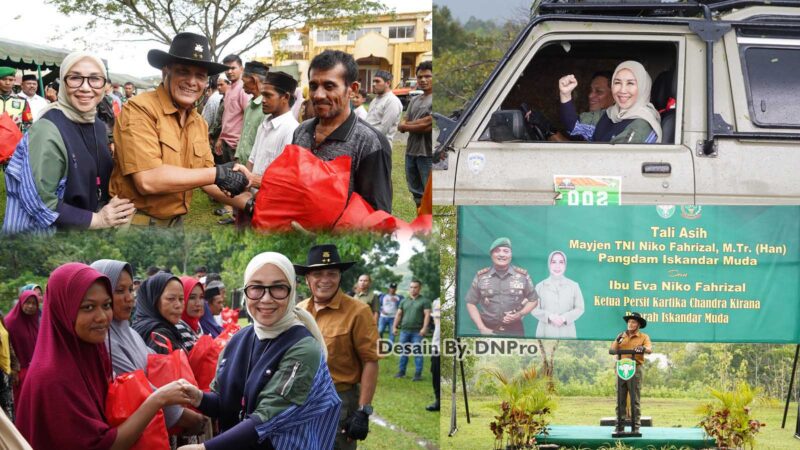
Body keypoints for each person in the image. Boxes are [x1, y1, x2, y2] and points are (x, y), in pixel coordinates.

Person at [15, 262, 195, 450]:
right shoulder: (53, 377)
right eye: (88, 307)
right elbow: (103, 446)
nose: (102, 316)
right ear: (63, 310)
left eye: (106, 305)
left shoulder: (94, 353)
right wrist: (158, 400)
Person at [177, 252, 341, 450]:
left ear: (292, 291)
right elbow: (225, 403)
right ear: (246, 291)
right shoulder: (239, 339)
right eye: (256, 288)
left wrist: (206, 448)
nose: (266, 298)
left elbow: (267, 419)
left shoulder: (304, 349)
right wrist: (198, 397)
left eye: (278, 288)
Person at [109, 32, 249, 227]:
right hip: (137, 225)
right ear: (166, 72)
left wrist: (251, 204)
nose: (192, 82)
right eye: (183, 71)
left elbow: (207, 178)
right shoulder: (139, 109)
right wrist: (219, 173)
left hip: (176, 225)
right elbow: (148, 179)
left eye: (200, 75)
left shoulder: (198, 122)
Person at [3, 52, 136, 234]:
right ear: (62, 83)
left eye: (95, 79)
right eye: (75, 78)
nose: (85, 87)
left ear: (104, 85)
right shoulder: (47, 129)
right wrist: (97, 219)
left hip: (84, 237)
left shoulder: (96, 125)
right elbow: (38, 200)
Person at [90, 259, 206, 434]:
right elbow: (139, 391)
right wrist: (186, 416)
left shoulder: (131, 333)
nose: (129, 298)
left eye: (130, 289)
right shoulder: (105, 341)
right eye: (119, 290)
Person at [295, 244, 379, 450]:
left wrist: (363, 411)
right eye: (318, 274)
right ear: (307, 279)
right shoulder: (298, 311)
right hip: (299, 401)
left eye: (332, 273)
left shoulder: (359, 311)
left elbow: (370, 361)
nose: (325, 280)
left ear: (340, 276)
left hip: (338, 402)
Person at [292, 50, 392, 213]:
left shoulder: (370, 142)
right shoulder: (301, 131)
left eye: (329, 86)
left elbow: (377, 216)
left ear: (352, 89)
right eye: (313, 86)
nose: (318, 95)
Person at [558, 60, 662, 144]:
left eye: (630, 83)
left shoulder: (642, 124)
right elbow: (574, 126)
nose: (622, 90)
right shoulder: (611, 114)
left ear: (643, 88)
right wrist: (565, 94)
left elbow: (615, 161)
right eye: (617, 82)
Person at [239, 71, 300, 193]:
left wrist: (251, 179)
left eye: (268, 95)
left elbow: (284, 180)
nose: (263, 100)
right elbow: (252, 159)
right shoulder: (264, 125)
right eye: (263, 95)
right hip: (252, 199)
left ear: (285, 97)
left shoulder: (292, 130)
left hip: (271, 201)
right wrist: (245, 192)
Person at [465, 237, 538, 336]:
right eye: (497, 251)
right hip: (488, 329)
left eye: (506, 251)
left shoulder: (522, 276)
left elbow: (533, 300)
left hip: (515, 330)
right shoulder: (481, 276)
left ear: (511, 255)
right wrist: (482, 328)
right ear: (491, 255)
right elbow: (470, 303)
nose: (502, 254)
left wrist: (520, 314)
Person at [610, 311, 652, 434]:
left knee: (635, 398)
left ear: (638, 325)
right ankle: (619, 426)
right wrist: (618, 340)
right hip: (621, 368)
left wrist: (643, 349)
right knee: (620, 398)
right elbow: (612, 350)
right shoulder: (621, 335)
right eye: (629, 321)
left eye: (633, 322)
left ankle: (636, 427)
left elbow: (649, 349)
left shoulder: (644, 337)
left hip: (635, 368)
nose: (630, 324)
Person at [398, 61, 433, 207]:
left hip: (428, 154)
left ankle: (431, 225)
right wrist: (414, 124)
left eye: (427, 76)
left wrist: (407, 125)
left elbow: (427, 126)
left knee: (429, 194)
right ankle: (421, 224)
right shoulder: (414, 100)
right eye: (420, 77)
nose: (423, 80)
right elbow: (402, 123)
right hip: (411, 152)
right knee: (416, 193)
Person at [132, 271, 191, 353]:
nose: (178, 305)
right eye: (171, 299)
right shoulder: (157, 337)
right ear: (154, 300)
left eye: (181, 299)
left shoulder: (169, 329)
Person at [531, 250, 585, 338]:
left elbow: (580, 308)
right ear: (549, 264)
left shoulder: (574, 286)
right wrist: (550, 317)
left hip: (567, 331)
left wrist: (564, 318)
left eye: (561, 262)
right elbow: (533, 309)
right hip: (545, 331)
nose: (557, 266)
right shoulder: (540, 286)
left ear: (565, 265)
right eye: (553, 262)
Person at [392, 280, 431, 381]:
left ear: (419, 288)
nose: (413, 289)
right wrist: (394, 327)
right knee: (403, 352)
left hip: (417, 332)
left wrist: (424, 328)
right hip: (404, 331)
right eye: (411, 287)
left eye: (415, 287)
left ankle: (418, 374)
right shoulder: (404, 301)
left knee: (417, 353)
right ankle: (401, 372)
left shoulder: (424, 301)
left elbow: (427, 315)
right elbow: (399, 314)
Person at [5, 290, 39, 404]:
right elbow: (6, 348)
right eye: (27, 302)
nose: (30, 306)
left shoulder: (36, 321)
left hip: (36, 370)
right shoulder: (10, 322)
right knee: (22, 404)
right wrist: (13, 371)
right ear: (21, 303)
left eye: (34, 303)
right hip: (19, 374)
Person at [233, 61, 269, 168]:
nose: (242, 86)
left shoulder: (266, 108)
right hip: (242, 165)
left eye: (244, 82)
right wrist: (237, 157)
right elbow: (243, 134)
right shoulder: (249, 106)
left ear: (254, 80)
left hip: (254, 167)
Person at [365, 70, 402, 142]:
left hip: (381, 145)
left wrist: (364, 135)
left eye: (377, 81)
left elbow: (384, 129)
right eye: (373, 81)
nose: (374, 84)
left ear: (388, 83)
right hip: (369, 143)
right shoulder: (374, 100)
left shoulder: (392, 101)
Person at [176, 276, 206, 351]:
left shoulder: (196, 324)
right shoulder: (179, 326)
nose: (198, 303)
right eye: (192, 297)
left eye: (201, 297)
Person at [0, 66, 32, 132]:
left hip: (14, 140)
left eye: (11, 80)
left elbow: (28, 123)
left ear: (14, 81)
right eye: (3, 79)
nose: (7, 83)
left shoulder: (22, 101)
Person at [427, 297, 440, 412]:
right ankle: (438, 400)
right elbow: (436, 323)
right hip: (437, 344)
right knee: (436, 373)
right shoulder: (436, 302)